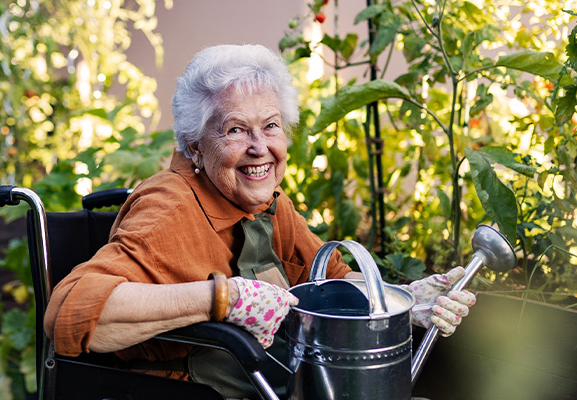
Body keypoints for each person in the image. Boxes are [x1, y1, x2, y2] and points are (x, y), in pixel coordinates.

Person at [43, 44, 476, 399]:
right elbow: (71, 313)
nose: (259, 147)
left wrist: (401, 301)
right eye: (234, 130)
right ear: (195, 147)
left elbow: (329, 286)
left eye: (270, 126)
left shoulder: (267, 203)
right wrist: (224, 298)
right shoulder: (169, 210)